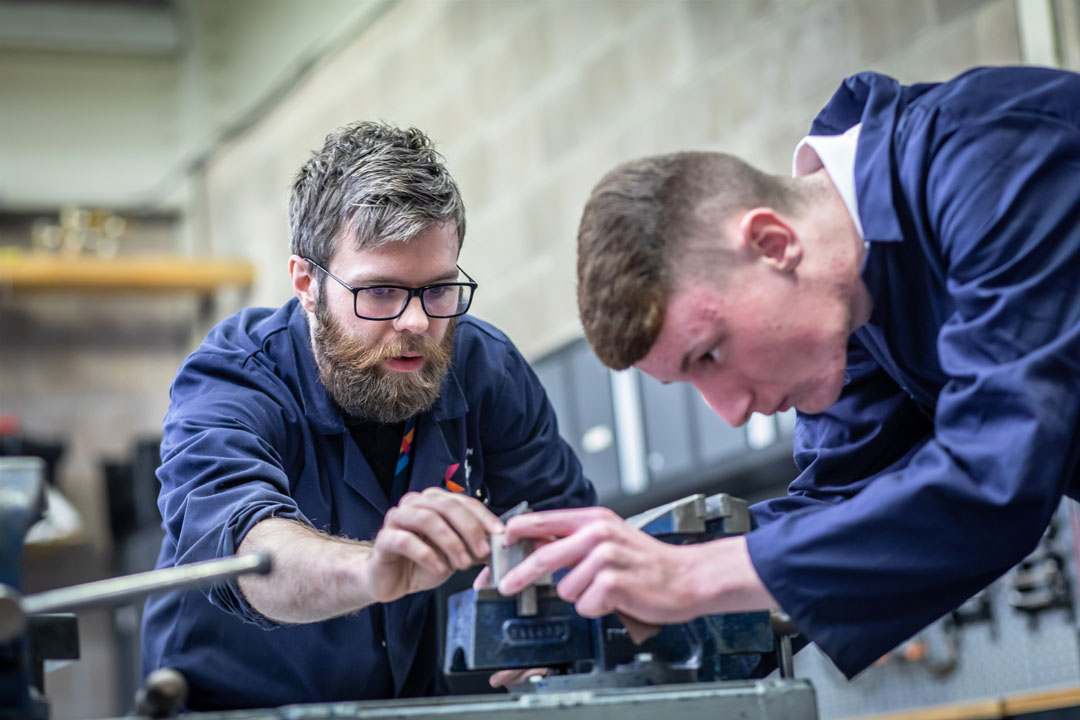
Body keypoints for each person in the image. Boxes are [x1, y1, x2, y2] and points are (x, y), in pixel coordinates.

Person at [496, 65, 1080, 680]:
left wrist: (692, 576)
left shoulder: (993, 156)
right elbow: (840, 506)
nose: (730, 410)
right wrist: (596, 597)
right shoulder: (856, 304)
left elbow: (995, 473)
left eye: (710, 355)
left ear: (773, 244)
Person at [141, 121, 596, 710]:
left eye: (438, 289)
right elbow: (246, 552)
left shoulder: (486, 370)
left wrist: (554, 609)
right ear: (306, 283)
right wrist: (369, 571)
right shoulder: (232, 379)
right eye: (379, 292)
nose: (416, 323)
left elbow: (569, 530)